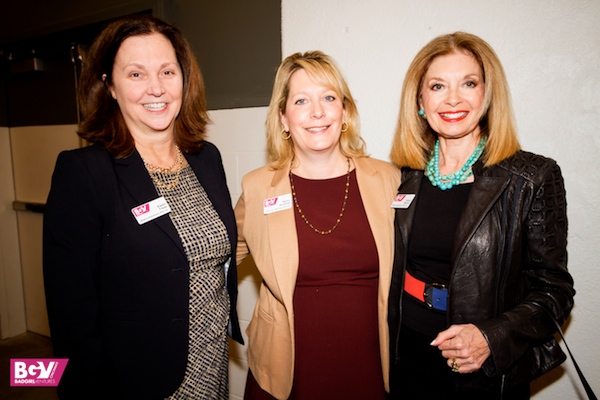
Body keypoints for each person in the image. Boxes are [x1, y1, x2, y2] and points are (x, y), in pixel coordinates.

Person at [43, 15, 243, 400]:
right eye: (136, 74)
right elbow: (71, 321)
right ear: (109, 86)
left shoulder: (206, 159)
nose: (156, 88)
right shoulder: (84, 173)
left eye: (167, 72)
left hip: (213, 366)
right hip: (137, 381)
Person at [387, 31, 575, 399]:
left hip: (481, 372)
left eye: (468, 83)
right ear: (420, 102)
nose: (453, 98)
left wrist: (491, 337)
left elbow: (555, 292)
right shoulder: (401, 177)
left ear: (487, 96)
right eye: (438, 86)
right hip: (405, 354)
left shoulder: (532, 178)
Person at [235, 51, 400, 399]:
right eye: (301, 100)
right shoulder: (256, 187)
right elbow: (214, 260)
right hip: (284, 373)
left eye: (328, 98)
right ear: (283, 117)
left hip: (370, 367)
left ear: (345, 112)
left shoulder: (388, 180)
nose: (317, 112)